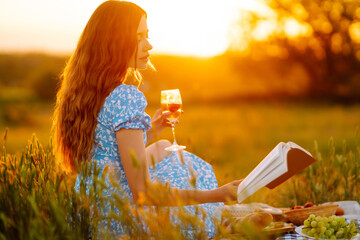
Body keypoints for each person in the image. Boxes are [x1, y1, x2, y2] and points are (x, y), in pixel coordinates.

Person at [52, 0, 241, 238]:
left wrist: (150, 130)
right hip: (119, 217)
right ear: (115, 41)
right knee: (186, 166)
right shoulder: (125, 96)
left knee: (163, 147)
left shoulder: (82, 93)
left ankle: (220, 218)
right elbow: (142, 193)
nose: (149, 45)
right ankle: (216, 217)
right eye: (140, 37)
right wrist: (216, 195)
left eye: (147, 35)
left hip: (90, 211)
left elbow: (108, 150)